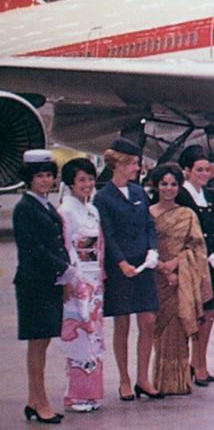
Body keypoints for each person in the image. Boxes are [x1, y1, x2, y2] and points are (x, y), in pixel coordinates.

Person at [94, 137, 161, 401]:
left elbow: (148, 225)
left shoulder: (138, 193)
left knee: (148, 321)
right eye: (133, 163)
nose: (137, 168)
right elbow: (107, 235)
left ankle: (143, 378)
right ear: (119, 164)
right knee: (122, 324)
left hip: (143, 265)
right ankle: (124, 379)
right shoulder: (103, 197)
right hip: (121, 267)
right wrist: (121, 262)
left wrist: (152, 249)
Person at [14, 150, 71, 424]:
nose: (45, 181)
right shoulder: (25, 208)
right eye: (39, 176)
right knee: (37, 345)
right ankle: (41, 401)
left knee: (42, 343)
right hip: (34, 284)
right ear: (29, 178)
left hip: (48, 282)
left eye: (49, 175)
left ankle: (33, 400)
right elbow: (33, 248)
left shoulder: (44, 205)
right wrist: (63, 268)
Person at [148, 164, 212, 396]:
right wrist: (162, 267)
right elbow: (143, 246)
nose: (168, 188)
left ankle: (178, 380)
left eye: (173, 184)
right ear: (156, 185)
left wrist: (176, 264)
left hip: (181, 278)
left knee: (177, 325)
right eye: (164, 184)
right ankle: (158, 379)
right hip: (155, 277)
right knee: (158, 327)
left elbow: (197, 247)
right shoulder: (148, 213)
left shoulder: (187, 214)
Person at [175, 145, 214, 385]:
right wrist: (208, 256)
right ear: (186, 170)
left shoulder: (208, 195)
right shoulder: (181, 195)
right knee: (193, 313)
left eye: (207, 170)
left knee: (210, 312)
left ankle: (200, 361)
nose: (204, 174)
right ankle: (188, 363)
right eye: (199, 170)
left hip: (211, 262)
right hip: (192, 261)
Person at [58, 157, 105, 413]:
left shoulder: (92, 209)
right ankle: (77, 395)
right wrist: (75, 279)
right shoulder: (66, 211)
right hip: (78, 281)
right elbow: (66, 247)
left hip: (95, 278)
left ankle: (92, 393)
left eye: (89, 179)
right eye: (81, 180)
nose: (86, 185)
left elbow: (99, 247)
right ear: (70, 184)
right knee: (79, 334)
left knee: (95, 337)